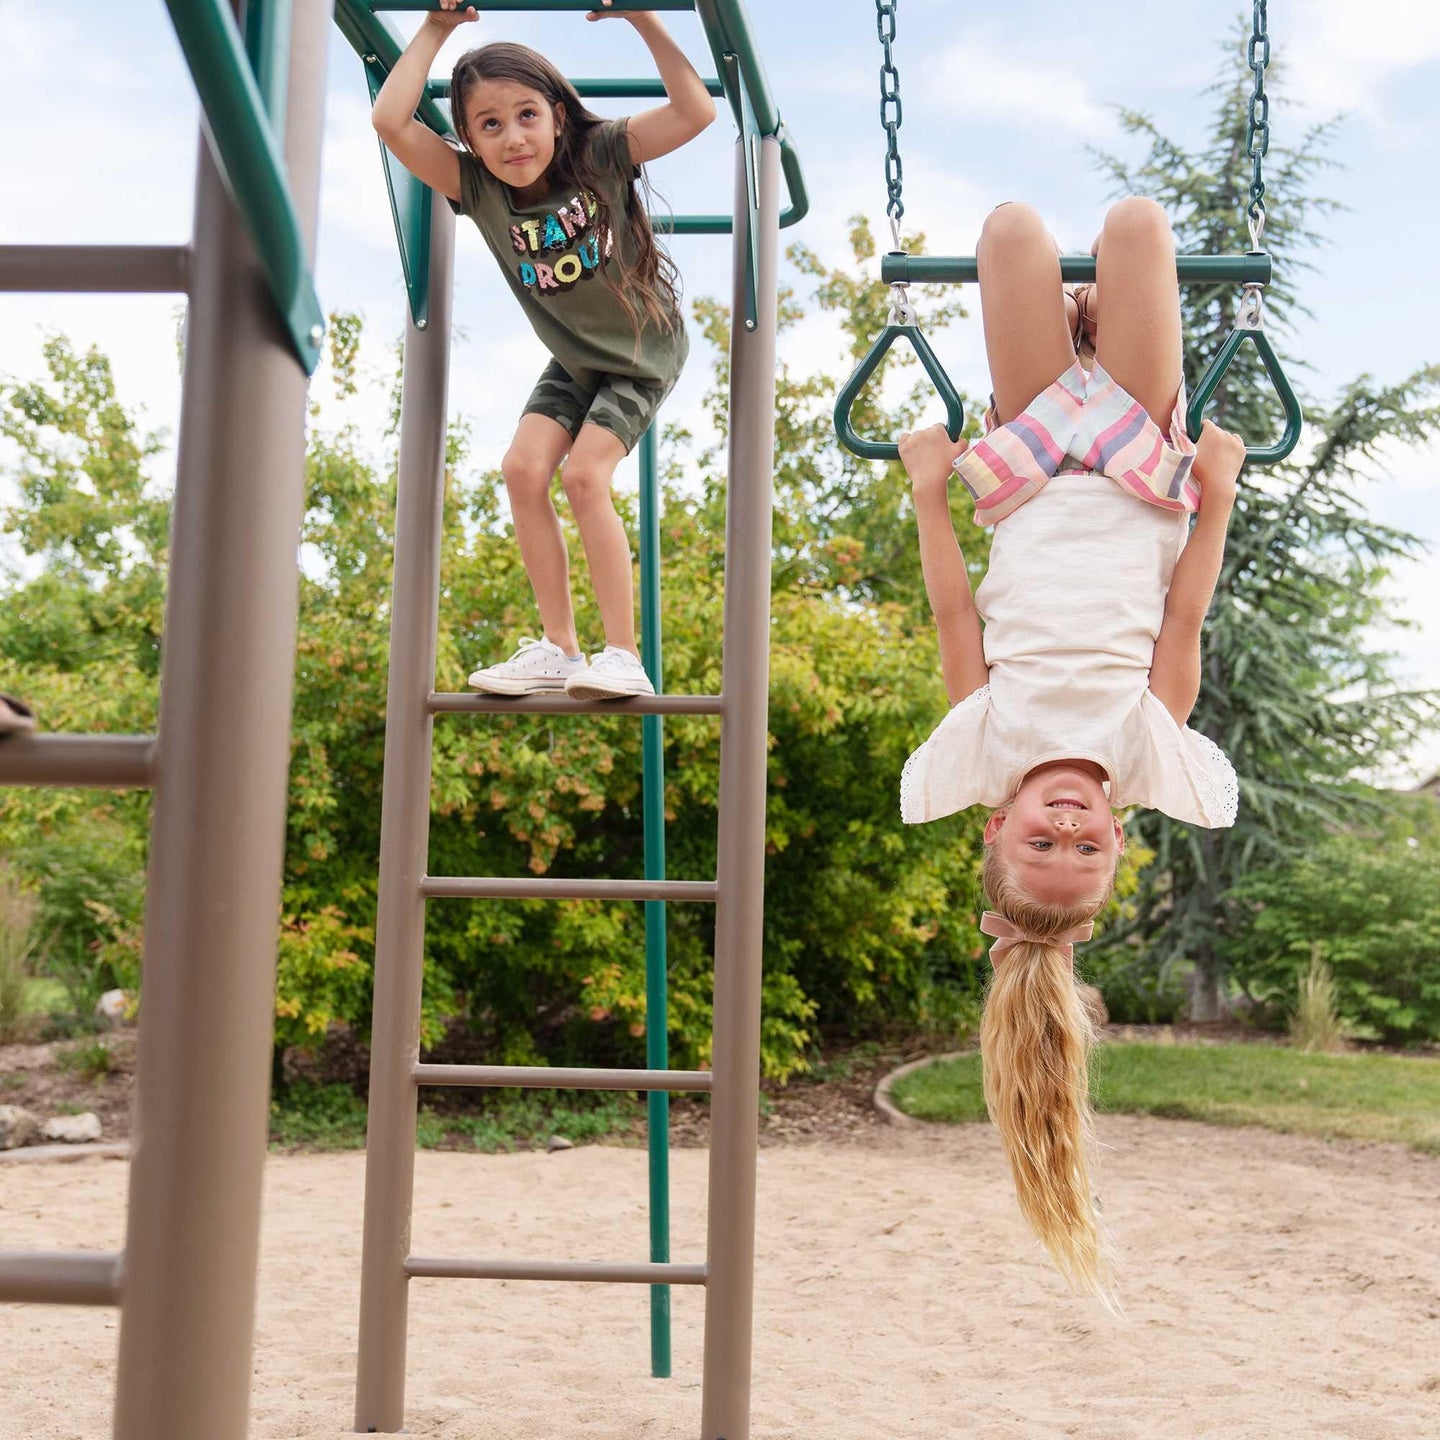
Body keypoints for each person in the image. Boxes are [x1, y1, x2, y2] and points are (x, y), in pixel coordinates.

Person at [896, 198, 1247, 1298]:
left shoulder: (989, 737)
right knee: (1138, 228)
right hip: (1142, 461)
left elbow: (956, 613)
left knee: (1009, 234)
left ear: (995, 825)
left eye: (1038, 845)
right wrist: (1218, 498)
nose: (1063, 827)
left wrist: (929, 493)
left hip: (1033, 465)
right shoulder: (1146, 742)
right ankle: (1100, 318)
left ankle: (1072, 322)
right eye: (1082, 850)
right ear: (1114, 842)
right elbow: (1184, 613)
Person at [372, 0, 715, 699]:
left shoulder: (599, 154)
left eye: (526, 115)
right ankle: (559, 648)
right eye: (489, 125)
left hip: (642, 352)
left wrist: (643, 19)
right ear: (470, 140)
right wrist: (437, 28)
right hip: (575, 358)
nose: (513, 138)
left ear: (559, 116)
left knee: (584, 477)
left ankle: (623, 654)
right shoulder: (476, 187)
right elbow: (390, 122)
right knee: (522, 469)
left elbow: (695, 111)